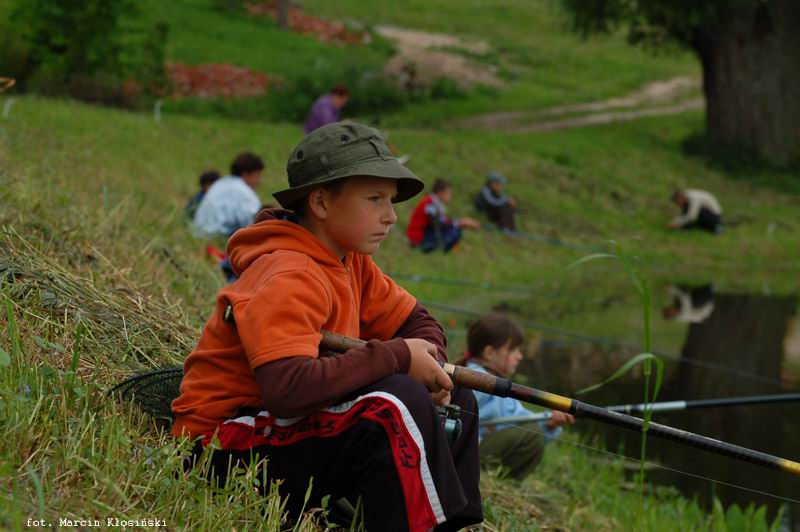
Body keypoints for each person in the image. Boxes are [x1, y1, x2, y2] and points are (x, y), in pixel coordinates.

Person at [172, 123, 483, 531]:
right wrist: (397, 356)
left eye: (390, 200)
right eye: (374, 199)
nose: (391, 216)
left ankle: (445, 521)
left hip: (286, 428)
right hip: (220, 446)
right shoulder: (288, 272)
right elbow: (287, 389)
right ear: (320, 201)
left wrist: (432, 365)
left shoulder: (350, 260)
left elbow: (416, 320)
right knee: (394, 403)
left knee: (458, 392)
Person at [460, 314, 575, 481]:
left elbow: (518, 418)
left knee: (532, 432)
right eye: (513, 350)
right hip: (463, 455)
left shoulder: (489, 381)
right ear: (490, 352)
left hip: (469, 452)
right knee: (532, 436)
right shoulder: (478, 382)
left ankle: (495, 480)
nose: (519, 356)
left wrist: (550, 423)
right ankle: (490, 480)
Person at [406, 179, 481, 253]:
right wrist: (460, 222)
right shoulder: (429, 203)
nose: (450, 197)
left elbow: (443, 221)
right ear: (440, 192)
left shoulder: (434, 202)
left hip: (423, 234)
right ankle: (434, 250)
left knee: (455, 227)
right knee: (455, 230)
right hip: (417, 238)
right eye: (448, 194)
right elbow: (437, 223)